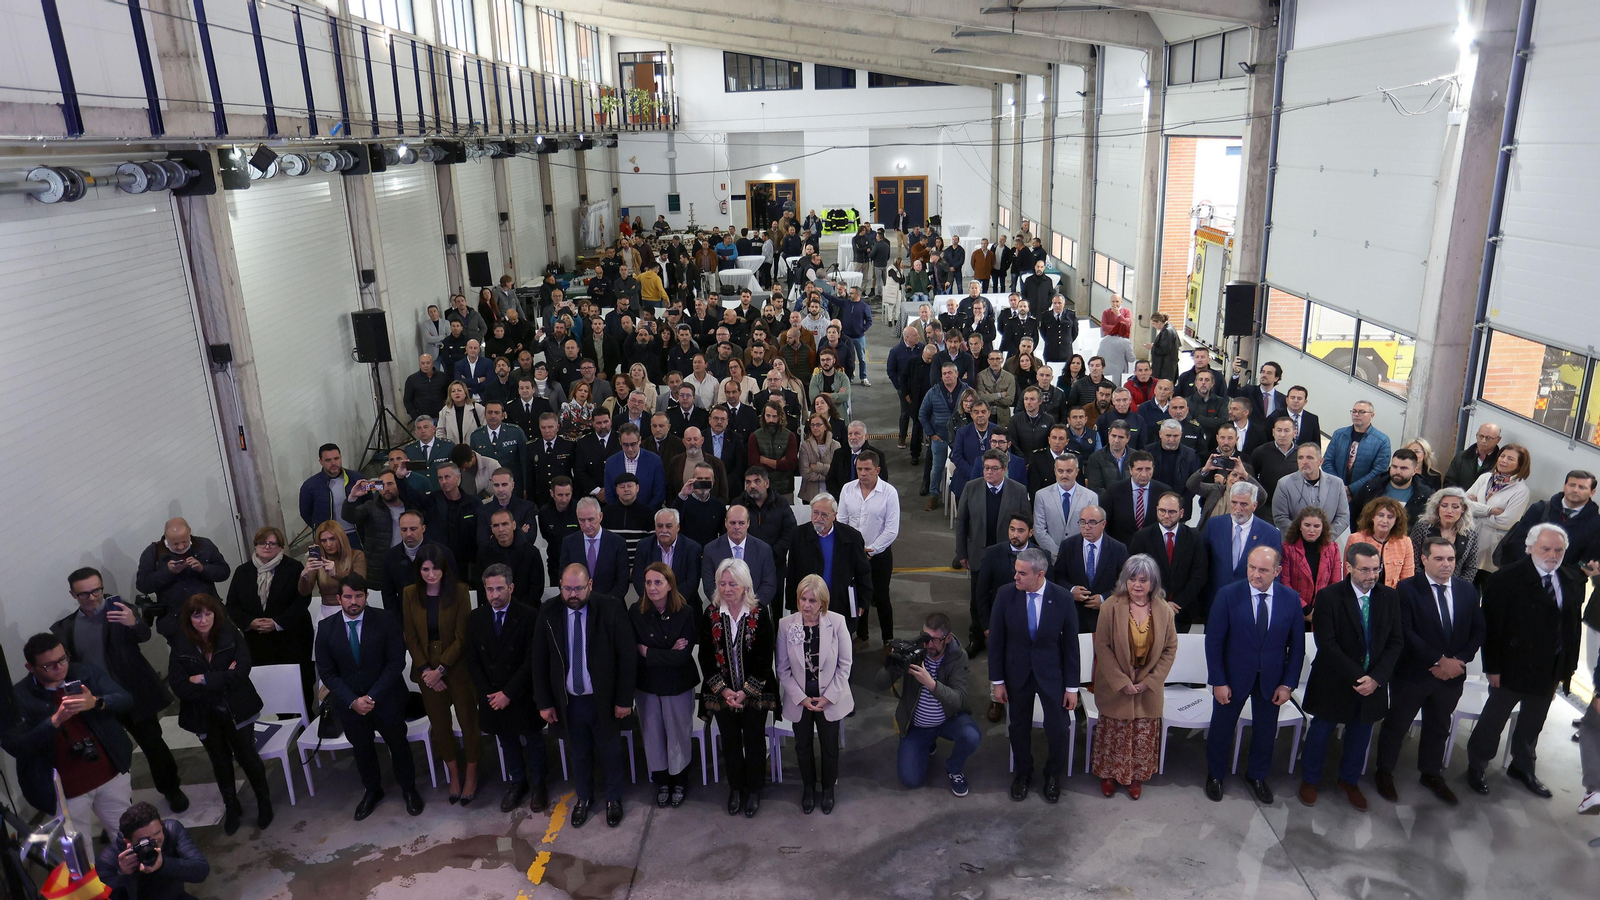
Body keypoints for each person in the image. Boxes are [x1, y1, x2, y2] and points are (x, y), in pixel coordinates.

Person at [51, 567, 188, 816]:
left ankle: (171, 789)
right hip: (97, 701)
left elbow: (144, 635)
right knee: (111, 754)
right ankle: (119, 808)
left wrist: (134, 623)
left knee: (153, 745)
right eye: (84, 594)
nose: (92, 597)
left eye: (97, 590)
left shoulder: (120, 610)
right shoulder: (66, 628)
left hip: (132, 693)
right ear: (73, 595)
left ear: (102, 587)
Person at [1467, 523, 1584, 798]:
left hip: (1548, 670)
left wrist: (1566, 670)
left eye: (1559, 549)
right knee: (1493, 722)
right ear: (1529, 548)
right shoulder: (1506, 579)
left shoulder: (1570, 578)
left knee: (1532, 724)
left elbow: (1571, 629)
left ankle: (1522, 767)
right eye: (1545, 548)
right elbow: (1492, 629)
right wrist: (1492, 668)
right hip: (1510, 668)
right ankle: (1477, 766)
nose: (1552, 555)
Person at [1373, 536, 1485, 806]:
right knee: (1397, 725)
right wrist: (1437, 661)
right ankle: (1384, 772)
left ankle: (1431, 773)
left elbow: (1478, 630)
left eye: (1450, 559)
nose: (1446, 564)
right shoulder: (1407, 589)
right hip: (1414, 673)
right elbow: (1405, 632)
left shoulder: (1467, 590)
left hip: (1451, 676)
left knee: (1439, 726)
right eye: (1439, 559)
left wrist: (1458, 661)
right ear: (1424, 560)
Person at [1295, 541, 1404, 810]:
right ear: (1349, 567)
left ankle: (1349, 780)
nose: (1371, 575)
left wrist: (1376, 678)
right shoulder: (1330, 596)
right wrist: (1359, 678)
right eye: (1364, 570)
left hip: (1373, 683)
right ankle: (1310, 779)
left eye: (1375, 569)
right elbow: (1327, 643)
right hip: (1335, 680)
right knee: (1321, 732)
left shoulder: (1389, 597)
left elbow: (1395, 642)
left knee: (1361, 733)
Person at [4, 632, 136, 841]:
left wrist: (96, 702)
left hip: (109, 773)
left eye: (63, 659)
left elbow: (125, 699)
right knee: (80, 856)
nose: (60, 668)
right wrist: (54, 721)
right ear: (30, 667)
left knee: (128, 836)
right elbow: (15, 746)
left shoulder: (85, 672)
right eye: (49, 665)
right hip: (64, 792)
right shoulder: (18, 697)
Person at [532, 565, 636, 828]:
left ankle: (614, 799)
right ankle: (584, 798)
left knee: (610, 751)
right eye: (567, 588)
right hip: (569, 702)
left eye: (578, 588)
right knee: (578, 754)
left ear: (590, 584)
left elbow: (627, 657)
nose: (573, 594)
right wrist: (544, 703)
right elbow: (539, 661)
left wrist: (624, 699)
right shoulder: (548, 612)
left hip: (604, 700)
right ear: (559, 585)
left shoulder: (610, 608)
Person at [315, 574, 424, 819]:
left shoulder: (385, 620)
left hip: (387, 699)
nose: (353, 601)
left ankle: (409, 789)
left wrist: (372, 696)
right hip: (350, 704)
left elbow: (395, 663)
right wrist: (353, 701)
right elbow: (328, 673)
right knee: (362, 750)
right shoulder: (326, 628)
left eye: (358, 595)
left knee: (399, 746)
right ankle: (373, 791)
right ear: (338, 598)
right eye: (348, 596)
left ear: (366, 595)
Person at [1203, 546, 1305, 803]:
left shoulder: (1291, 599)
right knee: (1221, 729)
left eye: (1262, 570)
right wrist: (1218, 681)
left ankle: (1257, 775)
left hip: (1271, 680)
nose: (1255, 574)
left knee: (1265, 731)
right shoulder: (1227, 595)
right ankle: (1215, 775)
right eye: (1251, 567)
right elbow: (1214, 642)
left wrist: (1288, 684)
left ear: (1277, 571)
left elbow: (1297, 647)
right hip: (1232, 678)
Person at [166, 594, 272, 833]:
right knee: (220, 761)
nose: (203, 620)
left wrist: (203, 679)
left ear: (216, 614)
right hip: (204, 713)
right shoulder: (180, 644)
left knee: (248, 757)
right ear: (188, 618)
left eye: (207, 614)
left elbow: (242, 671)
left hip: (237, 708)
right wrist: (223, 678)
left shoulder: (230, 634)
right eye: (196, 615)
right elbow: (180, 686)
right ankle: (231, 806)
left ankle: (264, 802)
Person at [990, 549, 1079, 803]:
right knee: (1018, 727)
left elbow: (1071, 646)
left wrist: (1071, 687)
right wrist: (997, 682)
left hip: (1052, 675)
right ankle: (1023, 773)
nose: (1015, 576)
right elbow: (996, 641)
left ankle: (1053, 775)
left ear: (1039, 574)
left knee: (1059, 728)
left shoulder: (1062, 599)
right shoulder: (1005, 595)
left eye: (1022, 573)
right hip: (1017, 674)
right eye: (1015, 571)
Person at [462, 563, 548, 813]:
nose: (494, 595)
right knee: (506, 741)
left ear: (511, 587)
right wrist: (490, 694)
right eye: (490, 589)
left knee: (533, 740)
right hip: (492, 695)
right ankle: (518, 782)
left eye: (500, 588)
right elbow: (473, 660)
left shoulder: (530, 615)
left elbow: (532, 660)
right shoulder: (476, 618)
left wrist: (508, 693)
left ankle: (539, 784)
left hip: (522, 693)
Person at [1091, 555, 1179, 800]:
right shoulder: (1111, 606)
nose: (1137, 585)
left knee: (1142, 735)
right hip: (1115, 686)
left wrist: (1149, 682)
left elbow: (1170, 649)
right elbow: (1103, 646)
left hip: (1147, 689)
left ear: (1153, 582)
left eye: (1143, 579)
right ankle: (1108, 774)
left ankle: (1136, 777)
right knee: (1114, 734)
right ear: (1124, 580)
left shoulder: (1164, 610)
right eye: (1132, 579)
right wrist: (1122, 682)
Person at [699, 558, 777, 818]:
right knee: (730, 742)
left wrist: (745, 691)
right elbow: (706, 658)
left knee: (754, 741)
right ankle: (736, 788)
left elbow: (766, 658)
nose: (726, 589)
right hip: (722, 693)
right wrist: (724, 691)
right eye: (722, 584)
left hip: (755, 692)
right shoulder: (711, 614)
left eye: (732, 584)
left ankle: (754, 789)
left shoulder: (759, 613)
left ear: (745, 586)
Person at [776, 575, 854, 814]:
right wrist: (801, 698)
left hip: (830, 698)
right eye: (802, 599)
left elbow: (845, 665)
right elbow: (783, 668)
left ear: (823, 603)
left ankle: (828, 789)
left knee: (829, 746)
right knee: (803, 746)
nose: (806, 605)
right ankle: (808, 787)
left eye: (812, 600)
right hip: (800, 699)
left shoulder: (838, 623)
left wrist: (828, 697)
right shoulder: (786, 625)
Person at [630, 562, 701, 808]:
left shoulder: (686, 612)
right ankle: (661, 780)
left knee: (678, 733)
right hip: (647, 685)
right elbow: (634, 651)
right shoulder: (635, 612)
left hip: (677, 684)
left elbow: (682, 656)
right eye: (648, 582)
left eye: (658, 582)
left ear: (669, 585)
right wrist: (667, 649)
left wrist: (650, 651)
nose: (652, 587)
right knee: (652, 734)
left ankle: (679, 779)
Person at [786, 494, 874, 638]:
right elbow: (792, 573)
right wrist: (792, 606)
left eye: (824, 514)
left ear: (835, 515)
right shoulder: (798, 535)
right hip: (809, 605)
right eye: (815, 513)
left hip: (841, 603)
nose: (819, 518)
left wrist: (863, 603)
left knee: (840, 646)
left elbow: (863, 572)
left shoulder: (852, 537)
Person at [1201, 482, 1284, 627]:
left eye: (1244, 504)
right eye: (1234, 502)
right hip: (1216, 601)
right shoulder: (1213, 525)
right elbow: (1202, 564)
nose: (1238, 509)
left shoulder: (1270, 533)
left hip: (1252, 603)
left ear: (1255, 505)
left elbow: (1274, 574)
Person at [838, 452, 901, 644]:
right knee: (857, 597)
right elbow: (841, 521)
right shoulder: (847, 489)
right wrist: (854, 550)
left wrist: (871, 550)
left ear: (877, 470)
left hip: (879, 556)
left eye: (867, 469)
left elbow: (891, 529)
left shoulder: (889, 493)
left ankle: (888, 641)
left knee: (881, 598)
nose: (862, 473)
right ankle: (862, 635)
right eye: (859, 469)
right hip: (853, 555)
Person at [134, 518, 230, 638]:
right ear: (165, 537)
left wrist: (202, 569)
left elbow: (224, 572)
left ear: (189, 532)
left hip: (210, 617)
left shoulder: (204, 545)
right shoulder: (152, 552)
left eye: (184, 541)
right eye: (175, 544)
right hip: (176, 622)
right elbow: (143, 585)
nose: (180, 547)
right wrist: (167, 572)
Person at [1127, 492, 1209, 632]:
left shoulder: (1194, 537)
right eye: (1162, 511)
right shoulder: (1142, 537)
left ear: (1181, 513)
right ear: (1156, 510)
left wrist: (1178, 603)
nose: (1166, 515)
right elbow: (1135, 575)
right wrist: (1160, 603)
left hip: (1182, 610)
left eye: (1171, 512)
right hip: (1149, 608)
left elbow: (1199, 574)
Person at [97, 802, 209, 900]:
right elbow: (108, 897)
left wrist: (164, 864)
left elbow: (201, 870)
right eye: (145, 840)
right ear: (128, 841)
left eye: (157, 833)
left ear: (161, 823)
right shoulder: (108, 859)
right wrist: (124, 876)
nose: (154, 842)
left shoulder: (172, 831)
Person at [1463, 441, 1533, 577]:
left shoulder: (1521, 490)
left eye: (1510, 458)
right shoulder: (1485, 478)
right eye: (1502, 456)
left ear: (1520, 465)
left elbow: (1506, 522)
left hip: (1492, 546)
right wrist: (1490, 511)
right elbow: (1463, 505)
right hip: (1469, 538)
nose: (1504, 460)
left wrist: (1477, 510)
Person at [701, 503, 779, 606]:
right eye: (732, 523)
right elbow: (709, 586)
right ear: (725, 523)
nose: (737, 527)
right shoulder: (710, 550)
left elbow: (769, 584)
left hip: (755, 609)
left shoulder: (763, 550)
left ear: (748, 524)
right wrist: (728, 606)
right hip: (723, 609)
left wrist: (751, 607)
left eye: (741, 523)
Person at [1279, 507, 1344, 629]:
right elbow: (1285, 584)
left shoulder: (1333, 549)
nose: (1311, 530)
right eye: (1307, 525)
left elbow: (1335, 584)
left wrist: (1321, 610)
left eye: (1316, 526)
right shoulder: (1287, 549)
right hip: (1295, 609)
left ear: (1322, 528)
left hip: (1322, 611)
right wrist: (1306, 610)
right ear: (1299, 526)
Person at [1272, 442, 1351, 539]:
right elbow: (1280, 518)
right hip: (1294, 543)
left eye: (1309, 458)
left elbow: (1343, 517)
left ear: (1320, 461)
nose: (1304, 462)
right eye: (1300, 458)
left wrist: (1324, 537)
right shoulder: (1284, 484)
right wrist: (1303, 536)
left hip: (1327, 542)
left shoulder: (1337, 484)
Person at [558, 497, 631, 598]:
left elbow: (622, 581)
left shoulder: (617, 542)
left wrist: (603, 603)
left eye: (591, 519)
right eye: (582, 520)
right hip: (578, 603)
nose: (587, 525)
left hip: (610, 604)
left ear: (600, 516)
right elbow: (563, 578)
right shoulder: (569, 543)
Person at [919, 363, 966, 510]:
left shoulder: (967, 392)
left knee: (962, 468)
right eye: (944, 373)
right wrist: (931, 434)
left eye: (950, 373)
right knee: (937, 468)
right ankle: (934, 495)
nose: (947, 376)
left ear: (957, 374)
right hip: (940, 438)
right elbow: (922, 414)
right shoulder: (933, 392)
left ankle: (962, 496)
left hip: (961, 440)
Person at [1321, 401, 1391, 497]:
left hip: (1363, 495)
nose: (1356, 415)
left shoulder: (1382, 440)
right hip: (1335, 491)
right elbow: (1327, 461)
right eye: (1354, 411)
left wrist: (1351, 489)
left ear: (1372, 415)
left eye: (1362, 412)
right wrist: (1339, 486)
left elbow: (1379, 470)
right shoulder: (1339, 434)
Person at [299, 521, 367, 619]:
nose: (328, 544)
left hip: (355, 607)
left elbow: (359, 583)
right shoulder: (318, 559)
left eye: (332, 539)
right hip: (328, 610)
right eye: (323, 540)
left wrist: (336, 574)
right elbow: (304, 592)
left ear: (341, 538)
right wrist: (304, 575)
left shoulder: (356, 555)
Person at [1352, 448, 1435, 527]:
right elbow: (1354, 512)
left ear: (1414, 471)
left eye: (1403, 468)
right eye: (1394, 467)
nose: (1398, 472)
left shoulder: (1425, 495)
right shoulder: (1372, 487)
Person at [1105, 451, 1170, 546]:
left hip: (1153, 549)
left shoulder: (1163, 491)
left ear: (1153, 469)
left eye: (1148, 469)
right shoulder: (1114, 490)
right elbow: (1106, 524)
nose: (1144, 474)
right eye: (1139, 469)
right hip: (1121, 549)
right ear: (1130, 470)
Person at [1349, 497, 1415, 589]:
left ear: (1396, 520)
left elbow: (1408, 578)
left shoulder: (1405, 542)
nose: (1384, 521)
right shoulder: (1355, 539)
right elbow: (1349, 574)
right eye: (1380, 515)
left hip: (1393, 596)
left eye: (1390, 517)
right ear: (1372, 517)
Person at [826, 420, 891, 498]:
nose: (853, 437)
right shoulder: (839, 454)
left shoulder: (877, 455)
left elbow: (882, 480)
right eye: (850, 434)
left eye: (857, 434)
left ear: (866, 436)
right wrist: (842, 497)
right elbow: (831, 480)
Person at [1445, 422, 1503, 489]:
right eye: (1481, 436)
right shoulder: (1462, 456)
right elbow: (1449, 482)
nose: (1483, 441)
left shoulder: (1499, 463)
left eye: (1488, 438)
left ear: (1498, 440)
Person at [798, 413, 838, 503]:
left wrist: (817, 467)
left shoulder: (835, 445)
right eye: (812, 425)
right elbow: (805, 473)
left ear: (825, 426)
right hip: (809, 493)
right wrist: (827, 474)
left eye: (818, 424)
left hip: (831, 493)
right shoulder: (805, 446)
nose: (815, 428)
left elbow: (836, 471)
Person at [405, 354, 453, 421]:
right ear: (419, 364)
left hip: (442, 416)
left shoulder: (442, 376)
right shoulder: (412, 379)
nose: (425, 366)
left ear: (433, 364)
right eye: (422, 363)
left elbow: (449, 395)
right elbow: (408, 400)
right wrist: (415, 416)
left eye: (428, 363)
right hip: (422, 417)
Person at [1146, 312, 1178, 382]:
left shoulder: (1166, 331)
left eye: (1153, 324)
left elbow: (1164, 350)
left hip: (1165, 366)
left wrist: (1152, 347)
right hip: (1168, 364)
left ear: (1159, 322)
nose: (1153, 326)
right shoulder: (1169, 328)